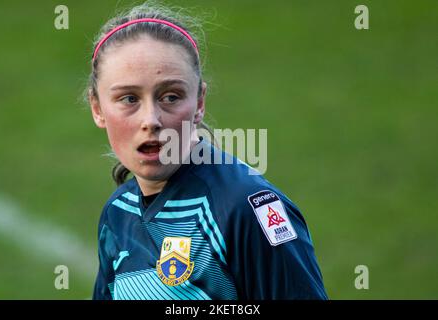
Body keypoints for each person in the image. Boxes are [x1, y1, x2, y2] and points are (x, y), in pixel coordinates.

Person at [88, 2, 327, 300]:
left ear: (199, 102)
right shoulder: (118, 213)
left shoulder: (244, 209)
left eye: (171, 96)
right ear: (97, 109)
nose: (150, 120)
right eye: (128, 99)